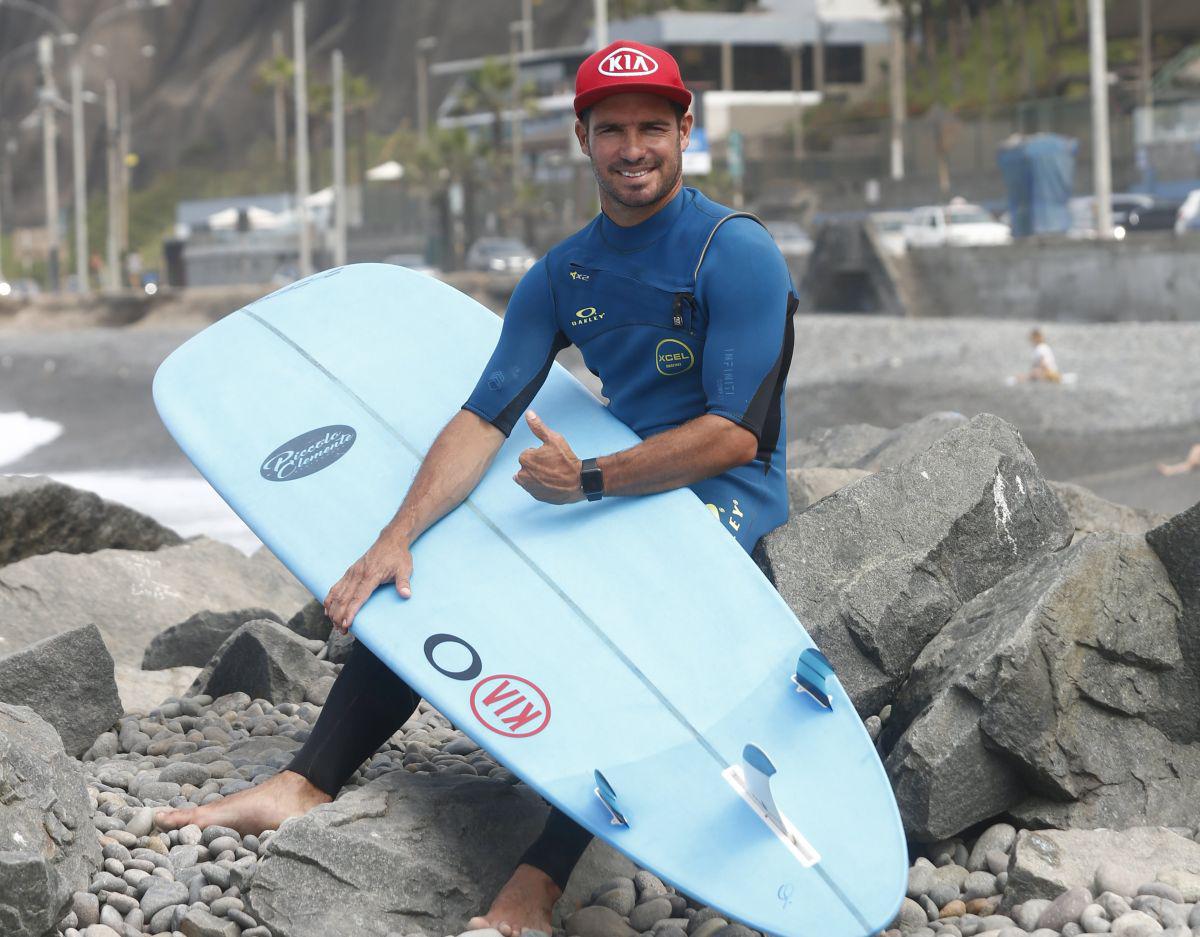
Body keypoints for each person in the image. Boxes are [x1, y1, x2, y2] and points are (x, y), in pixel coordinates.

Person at [155, 39, 796, 935]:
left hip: (723, 498)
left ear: (686, 130)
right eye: (612, 129)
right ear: (582, 137)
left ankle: (538, 884)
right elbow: (484, 416)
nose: (633, 149)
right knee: (431, 562)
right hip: (614, 489)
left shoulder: (736, 252)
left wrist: (591, 478)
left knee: (630, 639)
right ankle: (305, 781)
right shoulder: (563, 274)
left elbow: (737, 433)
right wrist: (396, 535)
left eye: (653, 127)